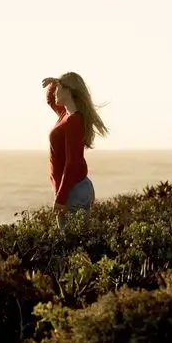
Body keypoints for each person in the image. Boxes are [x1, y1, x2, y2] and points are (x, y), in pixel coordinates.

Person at [42, 72, 109, 231]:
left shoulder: (74, 121)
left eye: (59, 88)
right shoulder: (65, 115)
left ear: (68, 91)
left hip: (74, 191)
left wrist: (61, 198)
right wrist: (54, 83)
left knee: (73, 243)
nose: (55, 91)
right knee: (74, 241)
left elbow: (73, 162)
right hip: (73, 188)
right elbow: (50, 99)